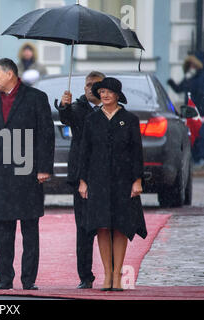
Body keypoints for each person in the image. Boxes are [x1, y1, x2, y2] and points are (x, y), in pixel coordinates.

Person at [0, 58, 55, 290]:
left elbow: (46, 135)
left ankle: (28, 279)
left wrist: (44, 167)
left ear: (10, 74)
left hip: (29, 173)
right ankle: (5, 279)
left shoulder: (36, 98)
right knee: (2, 230)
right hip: (1, 175)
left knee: (29, 228)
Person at [78, 77, 147, 291]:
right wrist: (83, 181)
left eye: (109, 92)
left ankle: (117, 275)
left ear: (118, 95)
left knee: (120, 226)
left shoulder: (130, 119)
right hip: (97, 179)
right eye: (102, 91)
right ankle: (107, 274)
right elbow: (85, 152)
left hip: (123, 180)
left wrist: (137, 180)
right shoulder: (92, 119)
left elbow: (137, 152)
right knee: (102, 225)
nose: (105, 95)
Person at [57, 71, 105, 289]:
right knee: (84, 228)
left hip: (107, 176)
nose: (91, 88)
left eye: (96, 85)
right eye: (88, 84)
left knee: (108, 227)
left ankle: (113, 273)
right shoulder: (77, 108)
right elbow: (67, 117)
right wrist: (63, 106)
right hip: (82, 177)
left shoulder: (111, 109)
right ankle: (85, 276)